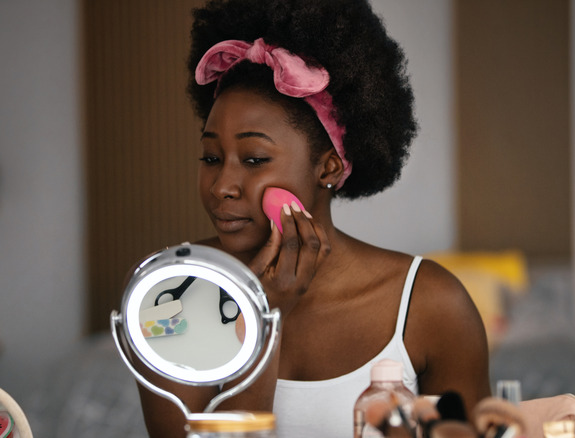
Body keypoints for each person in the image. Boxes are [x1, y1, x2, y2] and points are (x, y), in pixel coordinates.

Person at [137, 0, 491, 436]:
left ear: (329, 167)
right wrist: (265, 317)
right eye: (211, 156)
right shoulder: (169, 294)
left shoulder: (431, 305)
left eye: (254, 159)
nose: (221, 185)